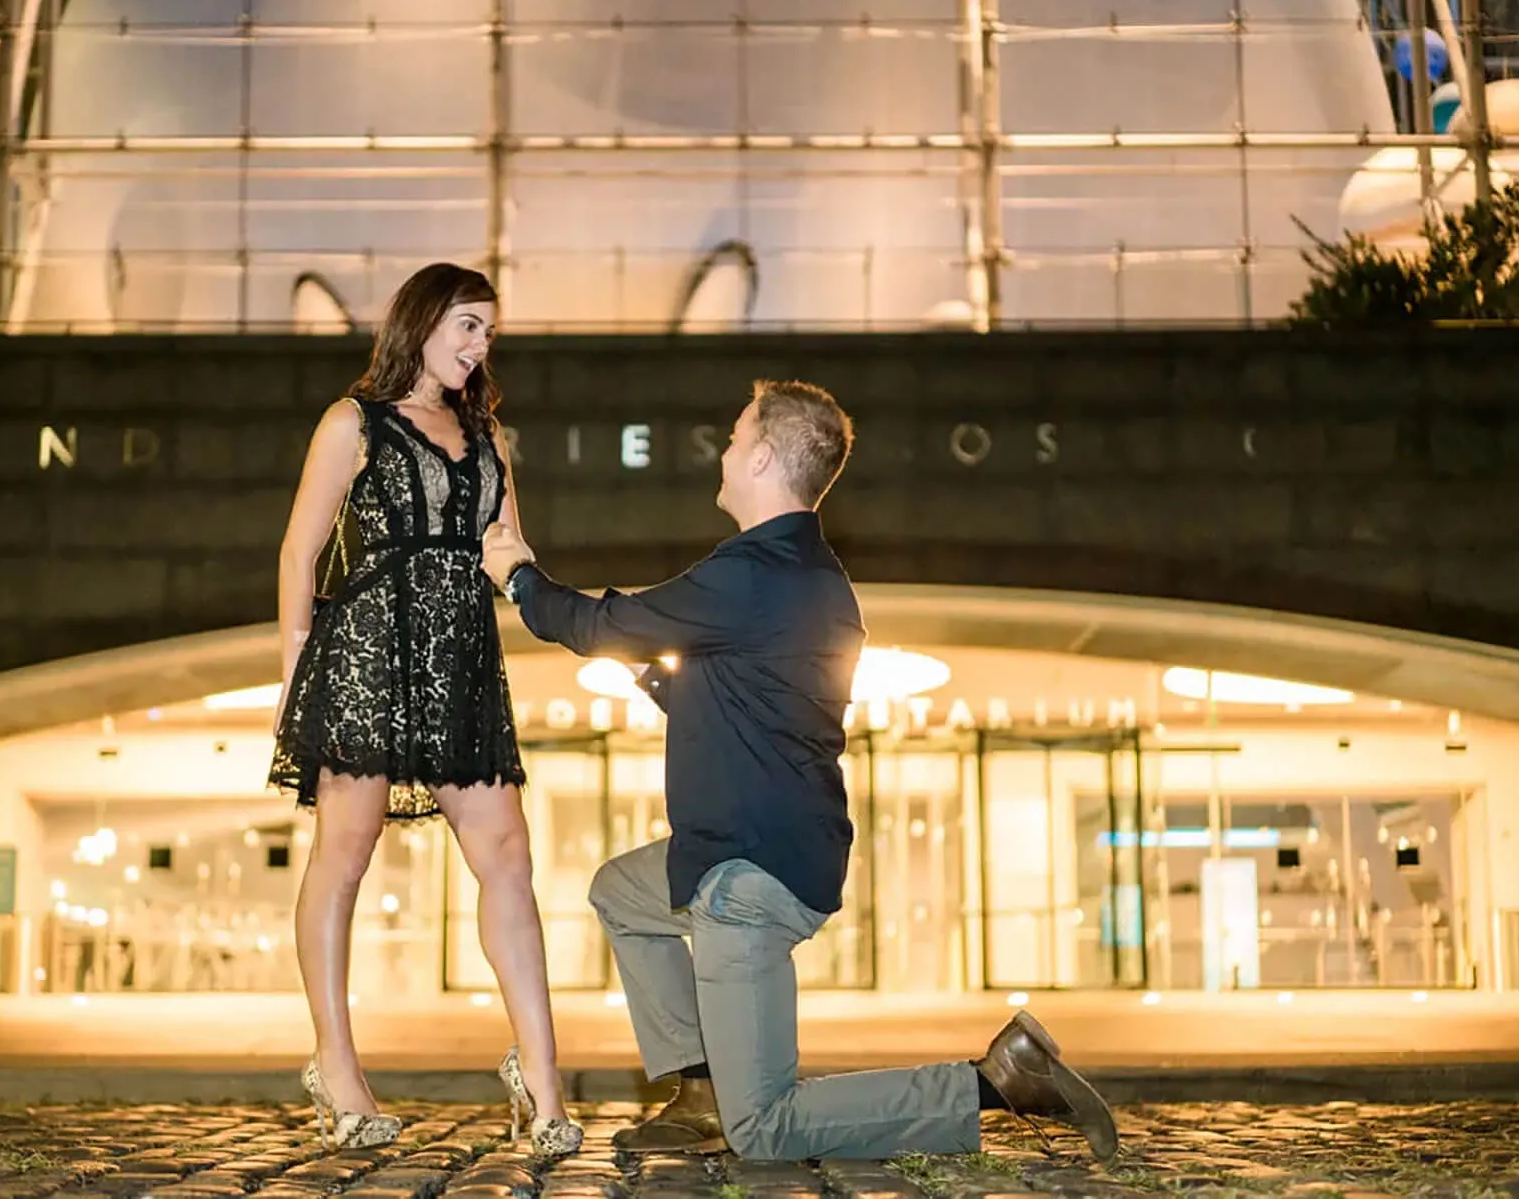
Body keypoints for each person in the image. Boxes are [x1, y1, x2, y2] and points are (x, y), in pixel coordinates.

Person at [480, 378, 1119, 1163]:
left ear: (768, 457)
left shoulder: (752, 574)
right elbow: (719, 698)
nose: (723, 446)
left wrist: (517, 574)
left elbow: (595, 621)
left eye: (736, 433)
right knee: (621, 890)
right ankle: (702, 1087)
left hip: (746, 878)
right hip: (747, 850)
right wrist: (652, 671)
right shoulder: (804, 579)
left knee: (767, 1129)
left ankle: (992, 1082)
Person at [270, 262, 580, 1157]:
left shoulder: (487, 435)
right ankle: (337, 1066)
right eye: (469, 326)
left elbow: (509, 546)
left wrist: (561, 604)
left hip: (463, 661)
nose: (481, 345)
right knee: (344, 853)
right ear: (425, 320)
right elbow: (299, 552)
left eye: (489, 331)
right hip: (366, 652)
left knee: (509, 854)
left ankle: (544, 1083)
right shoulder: (351, 422)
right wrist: (295, 675)